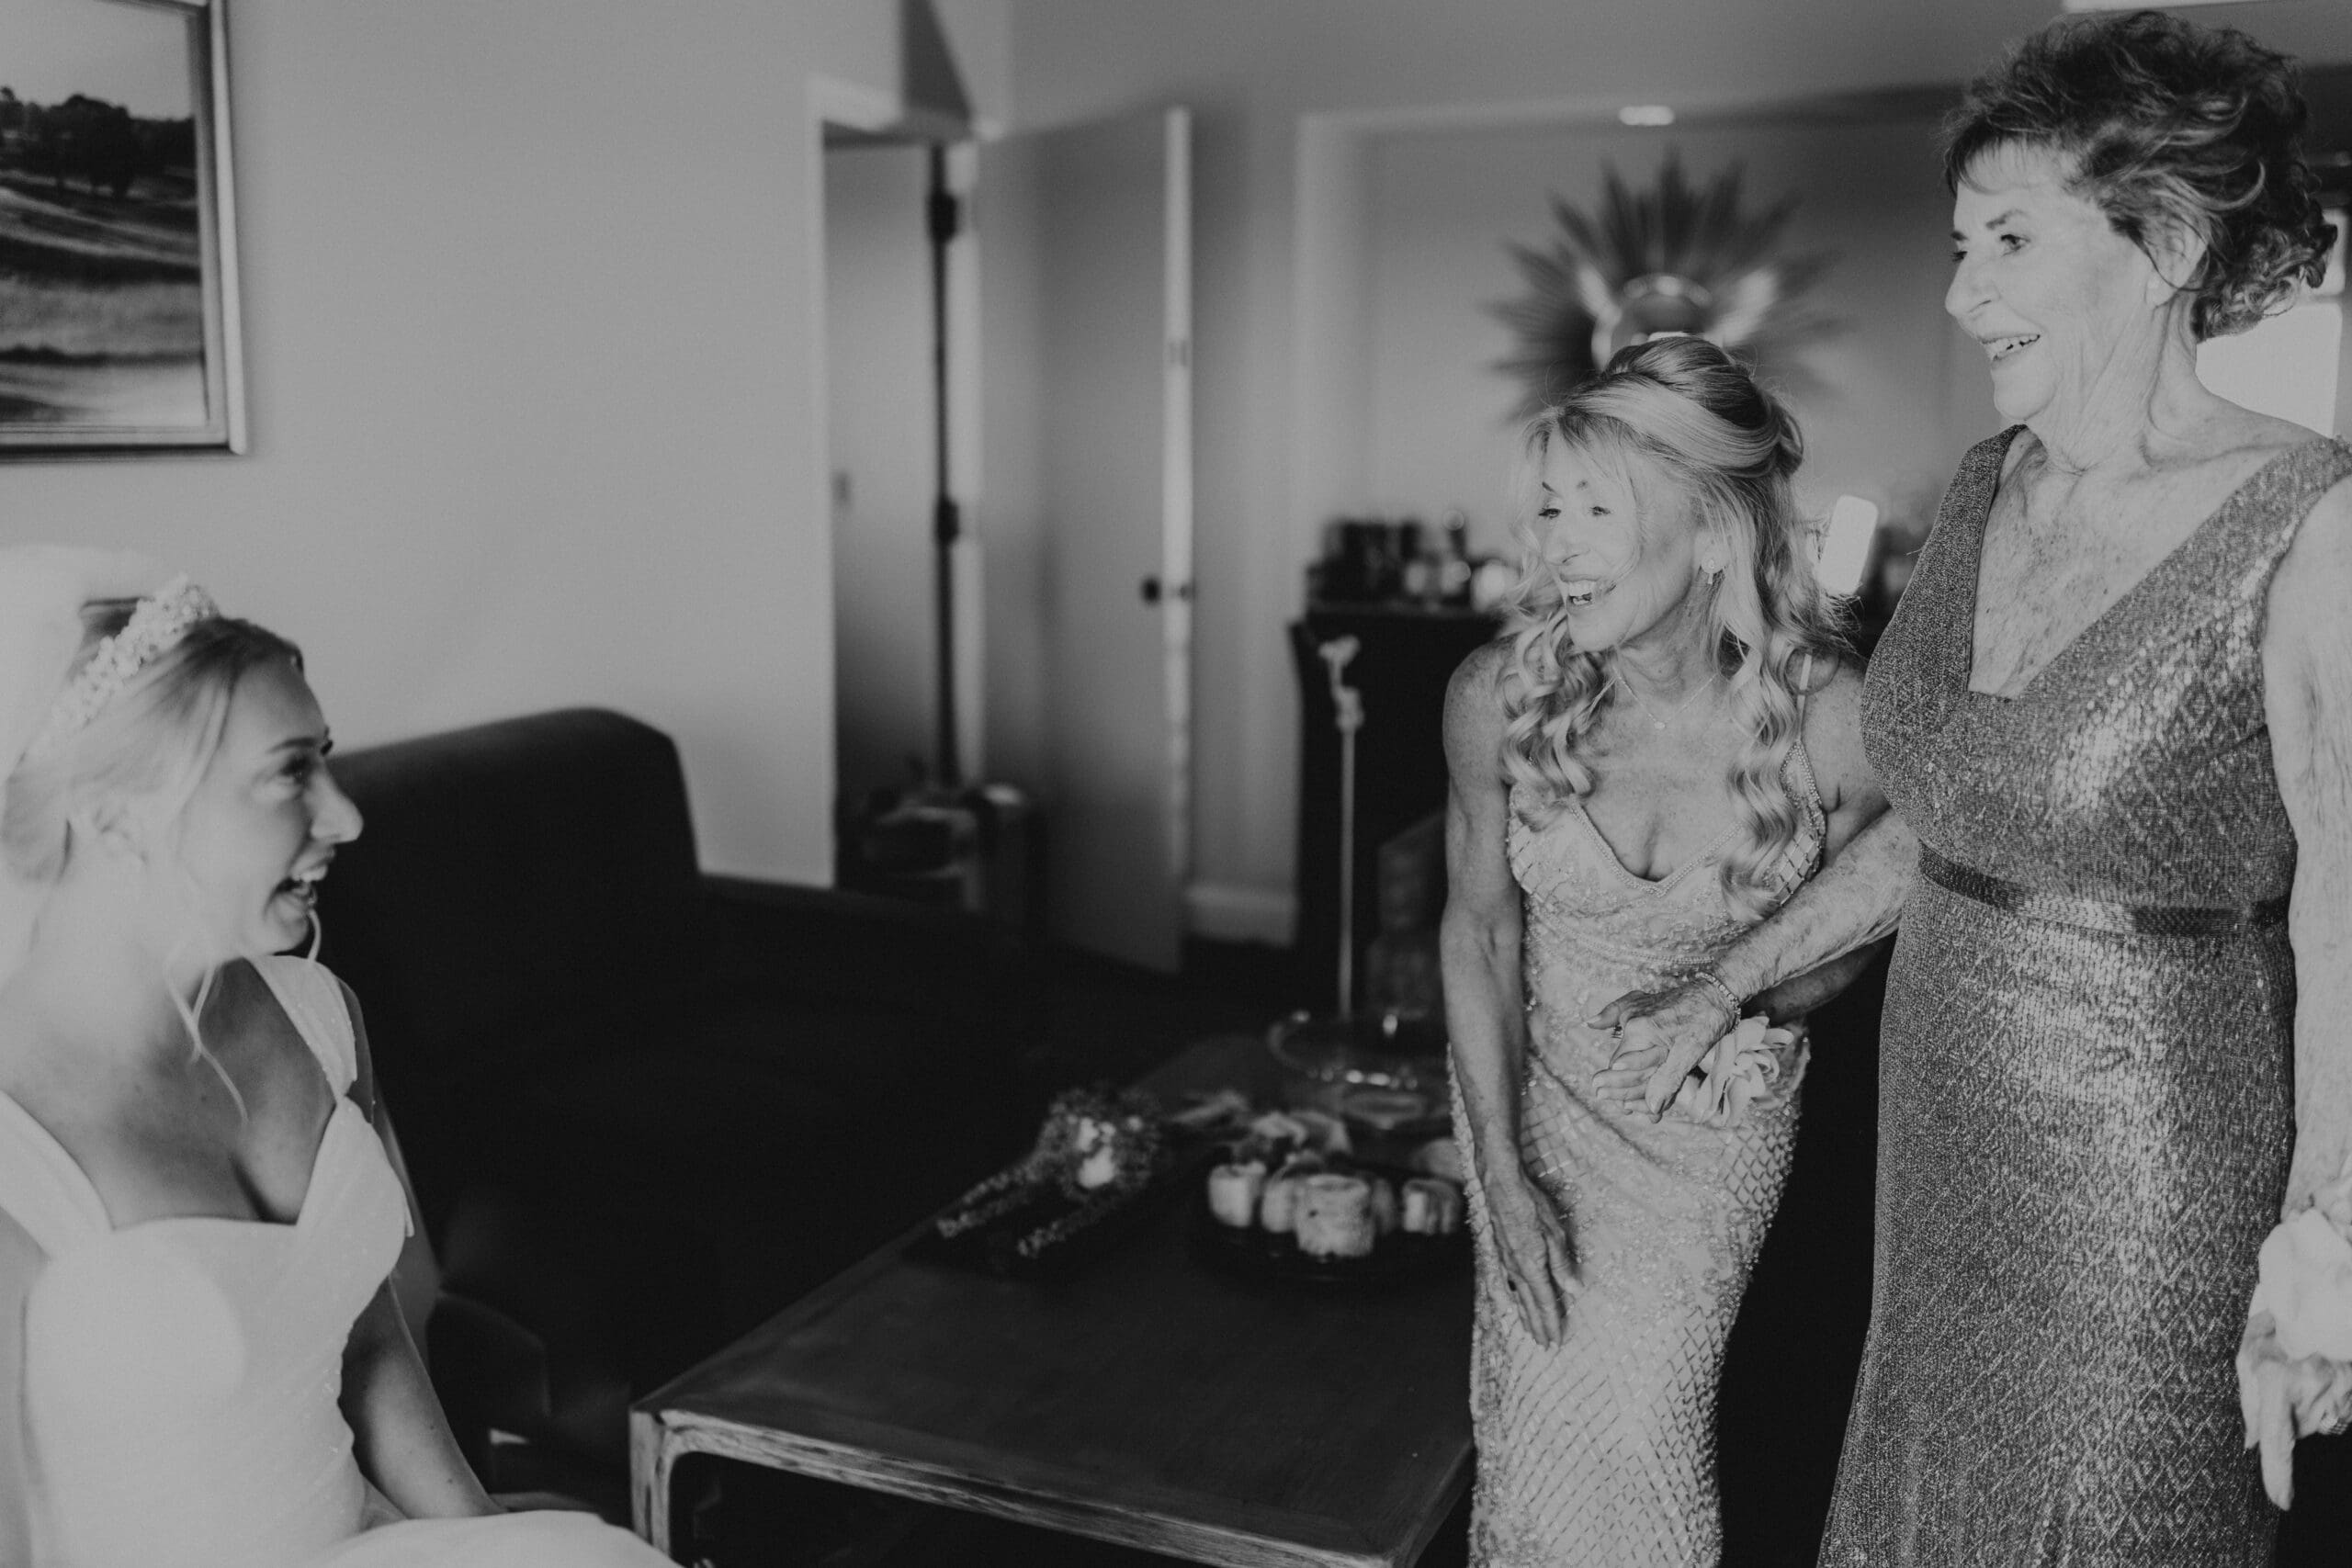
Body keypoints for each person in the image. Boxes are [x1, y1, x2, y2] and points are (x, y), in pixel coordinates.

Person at [1592, 13, 2352, 1565]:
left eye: (2008, 238)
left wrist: (2329, 1234)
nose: (1961, 289)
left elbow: (2349, 913)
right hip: (1937, 1103)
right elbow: (1948, 822)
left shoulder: (2310, 523)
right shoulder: (1986, 487)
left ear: (2166, 240)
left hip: (2148, 1151)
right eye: (1960, 240)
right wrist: (1723, 985)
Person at [0, 547, 672, 1567]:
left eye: (327, 757)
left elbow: (362, 1339)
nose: (345, 816)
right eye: (288, 774)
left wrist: (481, 1540)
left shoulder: (317, 1014)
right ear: (113, 819)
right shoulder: (16, 1141)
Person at [1440, 334, 1889, 1566]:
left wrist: (1758, 1000)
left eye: (1599, 508)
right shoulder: (1497, 694)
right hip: (1530, 1101)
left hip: (1705, 1135)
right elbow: (1478, 929)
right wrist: (1502, 1162)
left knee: (1646, 1423)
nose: (1557, 543)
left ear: (1707, 536)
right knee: (1530, 1422)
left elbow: (1879, 898)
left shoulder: (1831, 719)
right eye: (1550, 506)